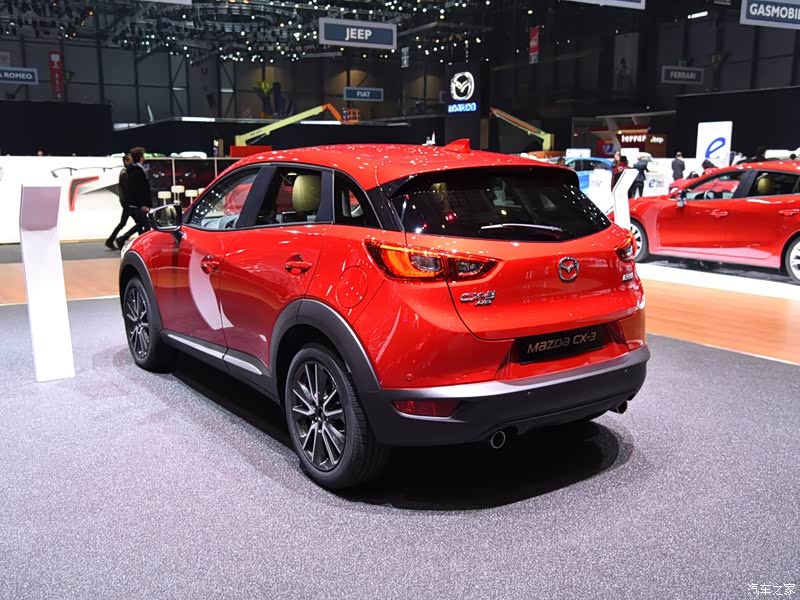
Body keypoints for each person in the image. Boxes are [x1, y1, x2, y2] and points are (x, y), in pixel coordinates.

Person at [116, 147, 151, 248]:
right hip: (137, 204)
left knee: (141, 224)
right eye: (143, 156)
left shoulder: (134, 170)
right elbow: (139, 190)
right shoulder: (138, 171)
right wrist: (142, 205)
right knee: (145, 225)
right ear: (140, 157)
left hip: (134, 203)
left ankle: (126, 239)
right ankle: (125, 239)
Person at [105, 154, 136, 250]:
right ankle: (120, 239)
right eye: (130, 160)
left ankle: (111, 240)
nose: (132, 162)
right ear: (126, 161)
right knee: (140, 223)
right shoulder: (125, 173)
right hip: (128, 203)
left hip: (127, 202)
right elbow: (128, 190)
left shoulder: (125, 173)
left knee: (123, 223)